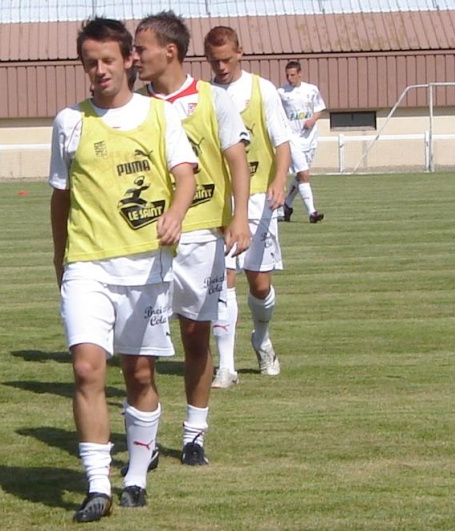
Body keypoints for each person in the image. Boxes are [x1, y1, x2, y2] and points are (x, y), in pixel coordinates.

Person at [49, 17, 197, 523]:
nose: (99, 70)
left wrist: (176, 214)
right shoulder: (69, 122)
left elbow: (184, 176)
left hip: (146, 266)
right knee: (87, 367)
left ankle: (135, 473)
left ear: (130, 60)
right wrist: (59, 259)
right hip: (87, 265)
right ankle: (96, 485)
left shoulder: (159, 117)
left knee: (139, 373)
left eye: (108, 60)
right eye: (90, 62)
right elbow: (60, 198)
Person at [133, 11, 252, 465]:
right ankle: (146, 438)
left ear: (170, 51)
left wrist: (239, 218)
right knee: (142, 343)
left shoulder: (211, 99)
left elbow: (236, 160)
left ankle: (194, 434)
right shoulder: (137, 107)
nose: (134, 57)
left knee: (195, 336)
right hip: (149, 240)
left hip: (202, 235)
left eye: (140, 49)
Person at [203, 26, 292, 388]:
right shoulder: (204, 96)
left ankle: (262, 338)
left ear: (240, 52)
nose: (221, 66)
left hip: (258, 197)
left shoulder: (262, 90)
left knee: (259, 284)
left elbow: (282, 141)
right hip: (220, 200)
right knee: (223, 278)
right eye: (214, 60)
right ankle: (226, 366)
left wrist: (278, 180)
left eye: (226, 59)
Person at [278, 60, 326, 223]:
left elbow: (319, 108)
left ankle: (286, 206)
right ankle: (312, 213)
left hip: (310, 138)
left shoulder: (311, 90)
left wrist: (312, 120)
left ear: (300, 74)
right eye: (287, 75)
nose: (290, 78)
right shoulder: (281, 93)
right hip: (292, 138)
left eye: (292, 75)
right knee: (305, 174)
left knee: (300, 176)